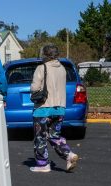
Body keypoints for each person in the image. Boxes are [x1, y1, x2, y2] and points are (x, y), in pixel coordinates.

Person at [30, 44, 79, 173]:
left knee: (40, 137)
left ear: (45, 55)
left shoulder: (41, 68)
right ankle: (68, 155)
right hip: (60, 109)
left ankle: (42, 164)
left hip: (43, 109)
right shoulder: (62, 68)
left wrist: (33, 89)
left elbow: (35, 88)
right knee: (54, 136)